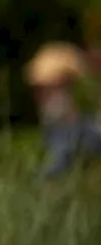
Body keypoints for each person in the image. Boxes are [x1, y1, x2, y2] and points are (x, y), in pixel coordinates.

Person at [24, 42, 101, 179]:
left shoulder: (90, 140)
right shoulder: (50, 136)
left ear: (70, 87)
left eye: (47, 89)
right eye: (37, 91)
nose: (40, 98)